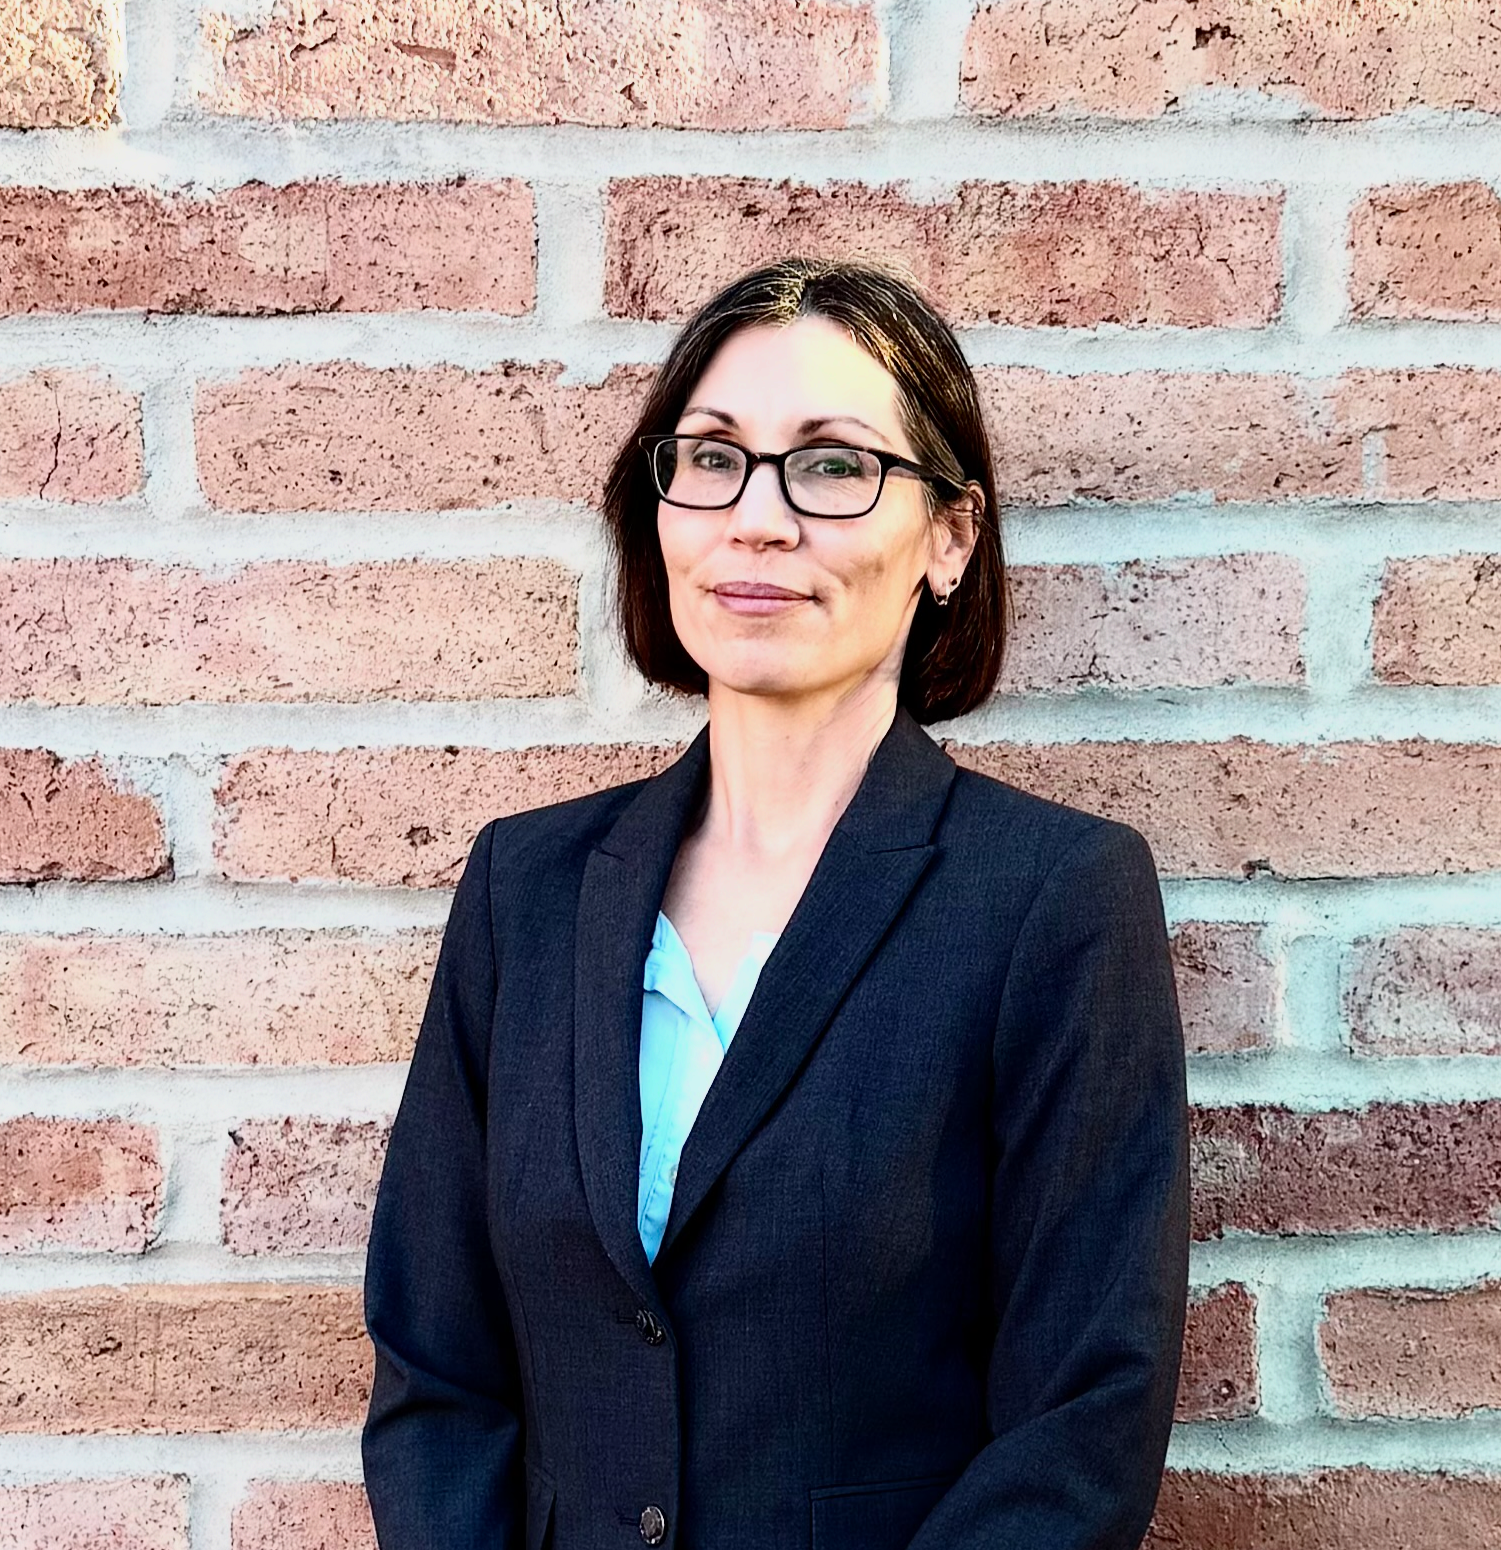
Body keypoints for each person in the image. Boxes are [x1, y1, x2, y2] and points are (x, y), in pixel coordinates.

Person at [362, 256, 1191, 1550]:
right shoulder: (527, 891)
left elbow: (1084, 1421)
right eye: (711, 457)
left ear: (949, 536)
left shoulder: (1049, 898)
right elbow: (435, 1368)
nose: (756, 518)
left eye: (832, 464)